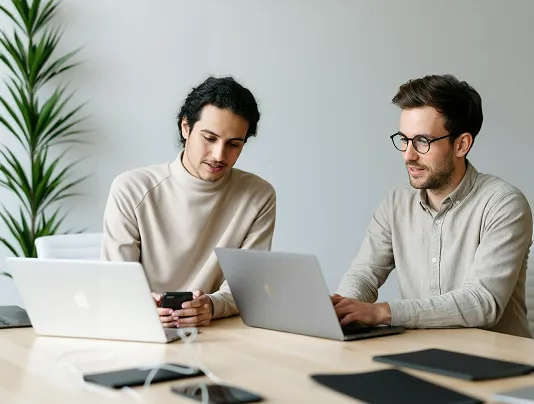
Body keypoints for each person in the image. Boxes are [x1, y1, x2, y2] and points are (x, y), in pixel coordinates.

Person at [333, 74, 533, 338]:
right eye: (404, 139)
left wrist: (382, 312)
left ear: (461, 144)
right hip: (424, 355)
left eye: (422, 141)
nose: (408, 154)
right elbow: (364, 273)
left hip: (500, 366)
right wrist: (344, 309)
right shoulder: (396, 203)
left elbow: (482, 303)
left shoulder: (503, 204)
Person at [101, 76, 276, 328]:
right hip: (142, 331)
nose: (219, 155)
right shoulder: (131, 189)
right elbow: (116, 286)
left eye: (234, 144)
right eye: (209, 138)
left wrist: (211, 306)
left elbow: (249, 289)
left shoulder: (258, 195)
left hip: (218, 333)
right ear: (186, 128)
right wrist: (140, 304)